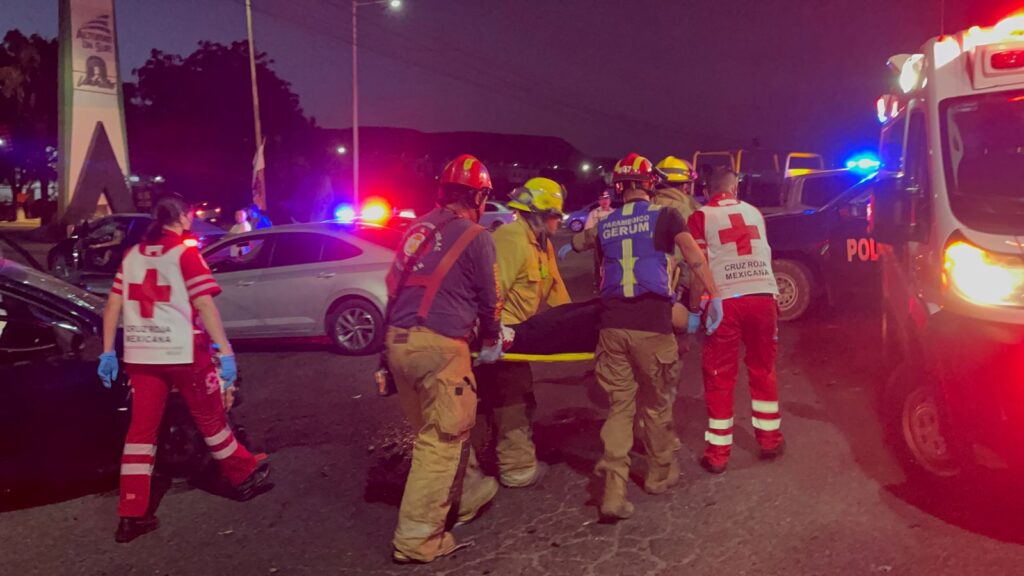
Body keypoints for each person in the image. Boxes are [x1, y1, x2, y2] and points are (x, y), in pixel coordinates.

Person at [97, 195, 272, 544]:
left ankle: (132, 513)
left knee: (140, 434)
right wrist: (225, 350)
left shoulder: (132, 255)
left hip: (141, 354)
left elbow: (112, 305)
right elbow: (205, 304)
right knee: (211, 421)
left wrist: (107, 353)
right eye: (189, 214)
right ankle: (243, 477)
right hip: (183, 353)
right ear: (180, 217)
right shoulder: (185, 254)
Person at [581, 153, 722, 521]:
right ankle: (659, 474)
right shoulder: (666, 216)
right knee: (656, 404)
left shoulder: (606, 223)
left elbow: (601, 274)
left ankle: (613, 490)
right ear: (650, 184)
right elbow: (692, 257)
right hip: (651, 324)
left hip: (612, 326)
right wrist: (712, 295)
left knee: (620, 408)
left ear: (618, 187)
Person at [384, 153, 504, 564]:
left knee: (435, 431)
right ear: (480, 196)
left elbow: (393, 283)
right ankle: (417, 540)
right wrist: (491, 339)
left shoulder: (417, 228)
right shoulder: (477, 236)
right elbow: (491, 299)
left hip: (398, 343)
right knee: (442, 441)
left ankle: (467, 495)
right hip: (440, 349)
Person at [473, 177, 570, 489]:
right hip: (501, 337)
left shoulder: (542, 244)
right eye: (555, 214)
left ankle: (481, 463)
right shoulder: (512, 237)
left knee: (504, 399)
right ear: (538, 212)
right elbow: (491, 292)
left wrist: (578, 328)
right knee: (511, 400)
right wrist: (491, 336)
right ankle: (516, 469)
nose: (559, 220)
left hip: (519, 336)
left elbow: (557, 292)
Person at [687, 167, 783, 475]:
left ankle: (718, 455)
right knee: (763, 369)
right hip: (764, 297)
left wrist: (694, 308)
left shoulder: (701, 216)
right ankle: (770, 440)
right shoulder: (754, 213)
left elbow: (698, 265)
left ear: (708, 190)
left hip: (726, 301)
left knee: (719, 376)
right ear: (734, 190)